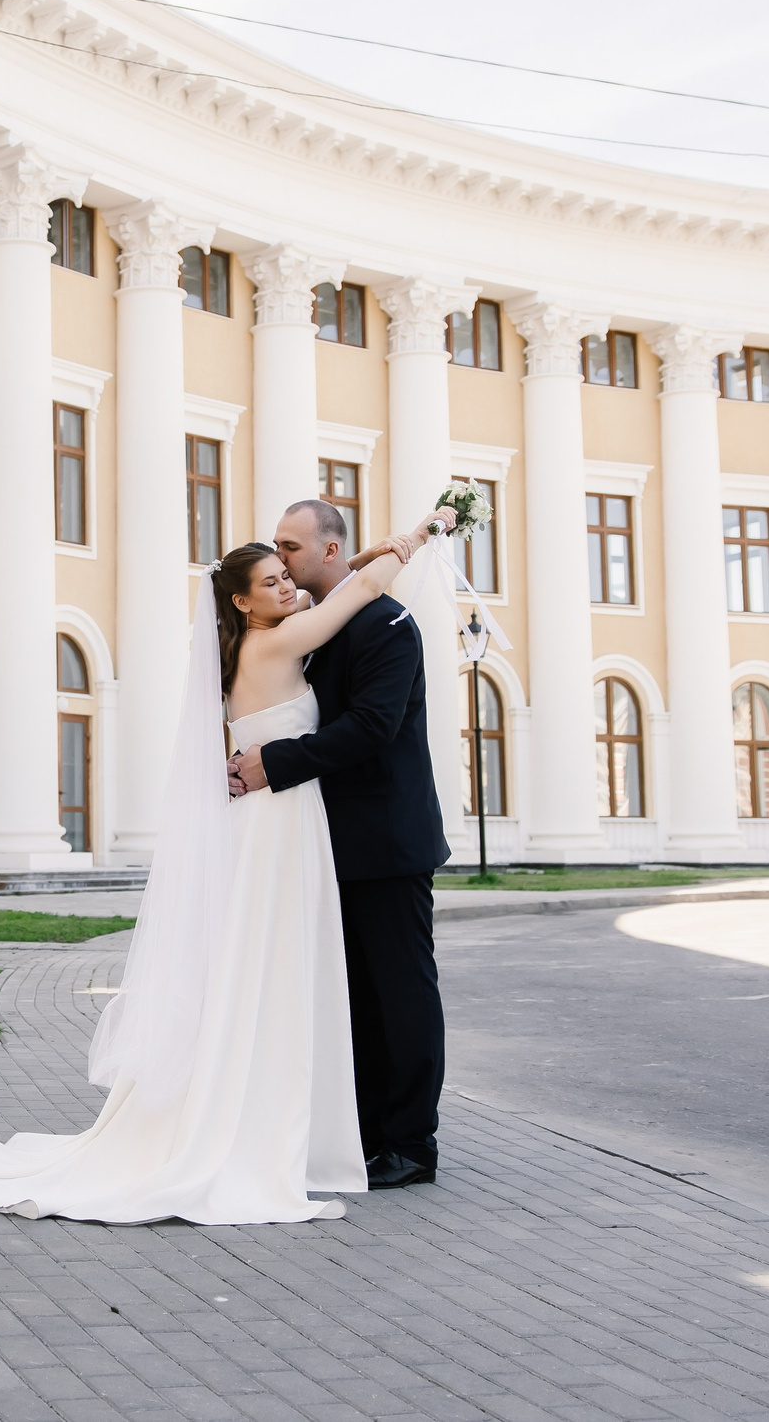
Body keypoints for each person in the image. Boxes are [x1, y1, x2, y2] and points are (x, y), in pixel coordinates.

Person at [0, 520, 426, 1225]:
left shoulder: (251, 640)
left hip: (272, 821)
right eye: (272, 579)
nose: (287, 583)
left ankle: (274, 1115)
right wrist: (424, 533)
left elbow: (342, 586)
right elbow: (361, 588)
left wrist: (361, 558)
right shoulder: (276, 642)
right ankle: (260, 1124)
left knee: (259, 969)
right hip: (277, 826)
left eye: (289, 571)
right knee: (270, 970)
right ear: (242, 602)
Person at [230, 499, 449, 1189]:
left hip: (387, 841)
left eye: (290, 547)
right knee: (351, 996)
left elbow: (372, 726)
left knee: (400, 993)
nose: (279, 557)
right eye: (275, 547)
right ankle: (362, 1132)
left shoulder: (388, 625)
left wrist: (275, 761)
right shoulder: (308, 623)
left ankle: (410, 1144)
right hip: (325, 842)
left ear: (329, 550)